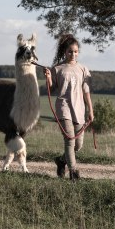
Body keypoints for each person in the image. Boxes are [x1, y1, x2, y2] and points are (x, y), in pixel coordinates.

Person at [43, 34, 94, 180]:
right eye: (70, 51)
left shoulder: (83, 69)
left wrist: (91, 110)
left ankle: (61, 161)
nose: (73, 54)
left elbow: (86, 92)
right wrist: (48, 77)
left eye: (76, 51)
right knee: (70, 140)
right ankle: (74, 172)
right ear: (65, 52)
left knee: (78, 145)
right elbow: (51, 89)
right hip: (63, 107)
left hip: (79, 109)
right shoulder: (57, 69)